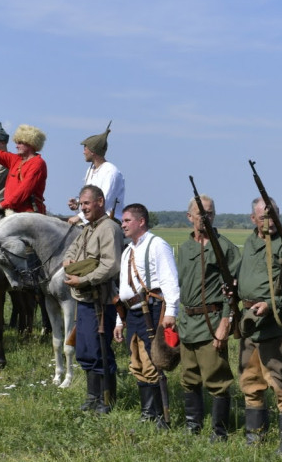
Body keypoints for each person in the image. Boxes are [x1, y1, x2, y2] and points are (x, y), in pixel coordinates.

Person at [237, 197, 282, 452]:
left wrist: (269, 304)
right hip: (249, 323)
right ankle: (255, 436)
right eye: (264, 216)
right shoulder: (251, 241)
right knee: (250, 379)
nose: (270, 220)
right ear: (253, 219)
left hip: (275, 323)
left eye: (273, 214)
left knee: (280, 379)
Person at [175, 195, 240, 441]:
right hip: (187, 322)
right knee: (189, 377)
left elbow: (233, 293)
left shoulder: (225, 248)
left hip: (212, 322)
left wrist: (225, 323)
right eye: (201, 213)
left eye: (210, 213)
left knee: (217, 379)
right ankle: (194, 426)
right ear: (189, 217)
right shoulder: (185, 248)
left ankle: (219, 431)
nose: (206, 217)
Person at [113, 203, 180, 429]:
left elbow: (170, 281)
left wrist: (171, 313)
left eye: (127, 220)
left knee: (154, 363)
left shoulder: (157, 245)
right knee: (137, 362)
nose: (122, 225)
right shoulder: (128, 251)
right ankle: (147, 413)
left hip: (151, 310)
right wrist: (119, 321)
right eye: (122, 221)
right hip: (132, 313)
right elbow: (123, 289)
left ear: (141, 221)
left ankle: (160, 416)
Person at [62, 185, 124, 414]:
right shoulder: (88, 229)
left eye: (87, 203)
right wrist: (68, 263)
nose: (83, 208)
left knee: (100, 350)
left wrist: (84, 280)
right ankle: (92, 397)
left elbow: (110, 265)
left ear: (100, 201)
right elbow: (72, 251)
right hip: (86, 299)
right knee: (85, 350)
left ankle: (106, 400)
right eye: (81, 204)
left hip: (102, 300)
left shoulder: (109, 228)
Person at [68, 124, 125, 223]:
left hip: (109, 221)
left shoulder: (111, 172)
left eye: (85, 149)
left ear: (93, 151)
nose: (83, 152)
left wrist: (80, 217)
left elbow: (103, 201)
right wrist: (78, 204)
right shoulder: (90, 169)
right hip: (92, 219)